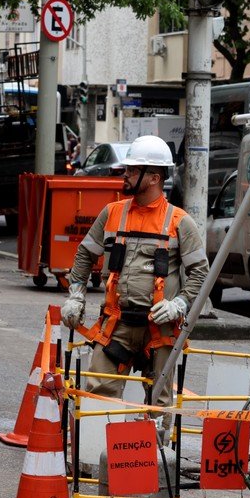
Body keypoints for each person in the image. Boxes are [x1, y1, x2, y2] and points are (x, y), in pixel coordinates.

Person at [60, 135, 209, 427]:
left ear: (153, 178)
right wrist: (76, 295)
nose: (125, 175)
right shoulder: (112, 213)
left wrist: (179, 304)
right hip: (117, 325)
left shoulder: (180, 222)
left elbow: (201, 274)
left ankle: (153, 462)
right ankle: (94, 461)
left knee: (158, 402)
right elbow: (84, 255)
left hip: (160, 329)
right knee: (99, 393)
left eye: (132, 170)